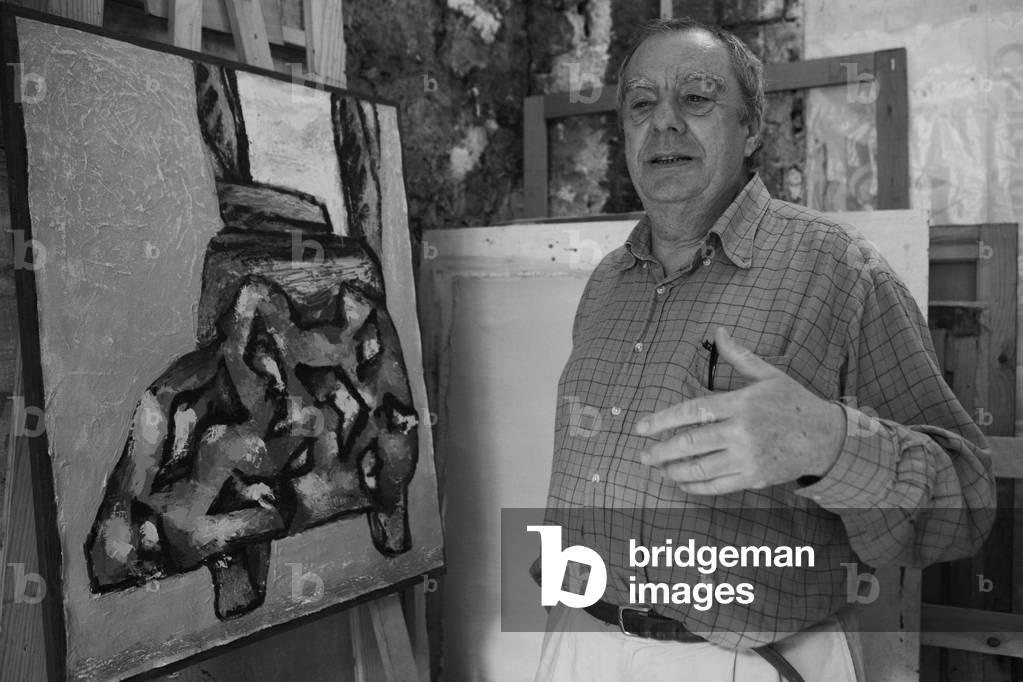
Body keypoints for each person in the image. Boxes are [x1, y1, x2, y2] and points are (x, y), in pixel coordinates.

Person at [533, 17, 996, 682]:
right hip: (578, 645)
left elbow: (966, 505)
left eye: (695, 99)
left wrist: (829, 445)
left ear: (752, 129)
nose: (663, 123)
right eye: (640, 103)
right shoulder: (609, 279)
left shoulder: (837, 270)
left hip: (741, 662)